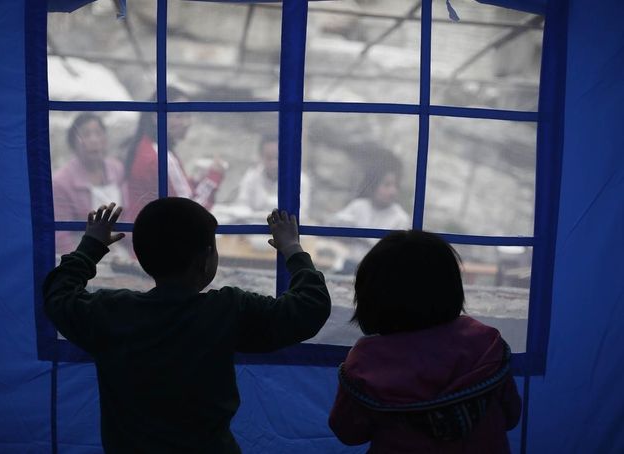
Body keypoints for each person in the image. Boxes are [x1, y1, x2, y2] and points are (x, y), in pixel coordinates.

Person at [42, 199, 331, 453]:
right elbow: (309, 308)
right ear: (205, 261)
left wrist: (90, 247)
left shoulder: (110, 312)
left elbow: (59, 296)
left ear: (142, 258)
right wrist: (292, 248)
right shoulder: (227, 310)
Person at [328, 230, 522, 453]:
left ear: (369, 298)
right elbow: (511, 416)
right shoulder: (486, 344)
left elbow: (348, 432)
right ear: (452, 287)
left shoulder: (366, 362)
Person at [125, 86, 225, 219]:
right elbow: (191, 213)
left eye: (188, 115)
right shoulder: (161, 157)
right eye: (179, 116)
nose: (187, 123)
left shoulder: (146, 146)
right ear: (156, 117)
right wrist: (214, 178)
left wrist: (195, 181)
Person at [52, 113, 129, 252]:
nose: (94, 140)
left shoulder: (117, 169)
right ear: (73, 142)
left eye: (98, 133)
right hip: (83, 254)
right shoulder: (61, 182)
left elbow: (128, 215)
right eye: (85, 135)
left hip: (119, 251)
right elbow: (61, 237)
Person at [235, 134, 311, 220]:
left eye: (278, 158)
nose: (274, 163)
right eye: (269, 158)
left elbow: (299, 214)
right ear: (261, 157)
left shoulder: (300, 180)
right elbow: (241, 207)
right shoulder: (251, 177)